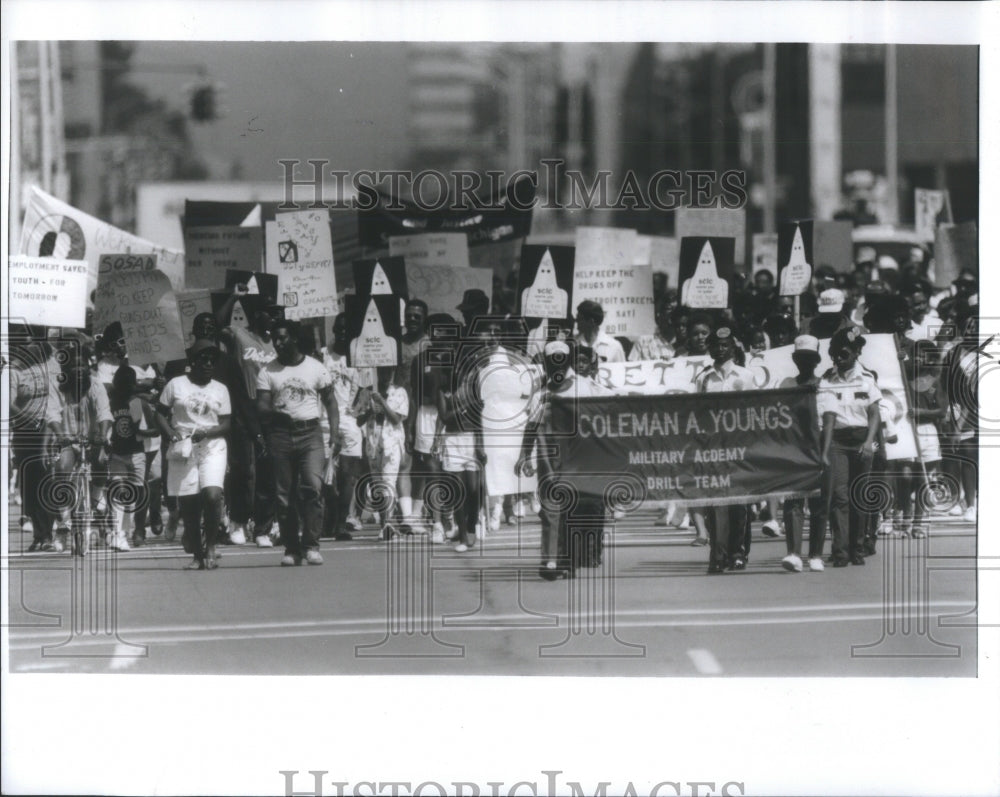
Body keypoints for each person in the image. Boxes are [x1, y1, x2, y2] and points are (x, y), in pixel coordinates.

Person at [517, 339, 611, 580]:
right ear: (547, 364)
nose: (557, 365)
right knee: (551, 509)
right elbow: (531, 426)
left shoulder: (585, 388)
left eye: (562, 360)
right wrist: (524, 455)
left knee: (574, 510)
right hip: (549, 457)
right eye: (552, 361)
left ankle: (568, 559)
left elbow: (607, 412)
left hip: (579, 457)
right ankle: (550, 560)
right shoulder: (541, 395)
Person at [256, 318, 339, 566]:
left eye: (282, 338)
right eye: (275, 339)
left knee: (313, 487)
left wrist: (334, 436)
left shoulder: (316, 368)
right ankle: (292, 549)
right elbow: (261, 405)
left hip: (310, 434)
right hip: (280, 435)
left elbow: (331, 403)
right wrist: (272, 413)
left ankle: (312, 546)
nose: (278, 343)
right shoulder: (267, 371)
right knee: (284, 495)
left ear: (294, 338)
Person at [157, 340, 231, 570]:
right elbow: (159, 413)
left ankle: (210, 546)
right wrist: (171, 434)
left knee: (211, 495)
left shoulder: (220, 389)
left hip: (212, 446)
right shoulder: (175, 385)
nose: (208, 364)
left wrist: (209, 431)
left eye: (212, 361)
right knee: (189, 503)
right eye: (203, 360)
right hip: (184, 448)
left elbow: (227, 422)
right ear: (192, 363)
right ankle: (197, 555)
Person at [217, 284, 281, 546]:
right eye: (269, 313)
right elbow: (217, 322)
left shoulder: (277, 340)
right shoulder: (239, 335)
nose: (274, 318)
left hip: (270, 409)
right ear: (257, 315)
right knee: (242, 468)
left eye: (276, 314)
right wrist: (234, 297)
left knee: (268, 469)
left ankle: (263, 527)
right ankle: (238, 522)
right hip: (244, 407)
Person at [817, 327, 882, 567]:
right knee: (839, 497)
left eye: (843, 352)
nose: (838, 357)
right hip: (837, 441)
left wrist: (868, 443)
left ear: (856, 352)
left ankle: (857, 548)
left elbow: (874, 414)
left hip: (861, 440)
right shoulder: (827, 379)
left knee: (859, 497)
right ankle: (840, 551)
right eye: (834, 353)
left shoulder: (866, 379)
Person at [42, 340, 112, 554]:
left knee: (101, 461)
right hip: (68, 439)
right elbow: (52, 412)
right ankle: (63, 522)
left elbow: (104, 412)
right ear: (67, 368)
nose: (79, 369)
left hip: (94, 438)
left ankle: (99, 507)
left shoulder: (96, 385)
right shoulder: (56, 386)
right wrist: (61, 436)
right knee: (63, 468)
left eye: (83, 365)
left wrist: (101, 435)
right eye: (74, 366)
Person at [695, 326, 756, 573]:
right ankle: (718, 555)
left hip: (738, 444)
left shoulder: (745, 376)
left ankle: (738, 553)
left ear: (733, 349)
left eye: (725, 346)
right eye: (716, 346)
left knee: (739, 501)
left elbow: (754, 411)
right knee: (716, 500)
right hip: (712, 445)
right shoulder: (704, 378)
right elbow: (697, 411)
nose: (720, 350)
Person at [778, 336, 828, 572]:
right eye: (800, 358)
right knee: (793, 501)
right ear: (794, 359)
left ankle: (816, 553)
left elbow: (829, 421)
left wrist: (825, 451)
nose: (804, 363)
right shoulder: (787, 384)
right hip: (794, 446)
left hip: (818, 445)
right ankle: (794, 553)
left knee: (819, 502)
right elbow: (777, 415)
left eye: (809, 358)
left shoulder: (825, 384)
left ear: (817, 360)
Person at [322, 313, 373, 541]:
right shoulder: (323, 354)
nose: (342, 333)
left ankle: (341, 523)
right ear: (333, 329)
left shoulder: (361, 359)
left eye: (347, 329)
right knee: (324, 477)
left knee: (348, 477)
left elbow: (367, 390)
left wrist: (359, 410)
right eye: (339, 329)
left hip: (349, 422)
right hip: (323, 420)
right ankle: (330, 517)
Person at [107, 365, 160, 550]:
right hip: (118, 454)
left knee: (134, 494)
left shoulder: (138, 402)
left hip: (137, 453)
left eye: (128, 382)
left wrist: (145, 431)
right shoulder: (110, 401)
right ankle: (118, 533)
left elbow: (153, 429)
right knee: (119, 492)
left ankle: (129, 531)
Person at [356, 365, 409, 539]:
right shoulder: (366, 392)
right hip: (373, 441)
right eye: (381, 372)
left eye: (388, 372)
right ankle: (383, 524)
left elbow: (396, 419)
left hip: (391, 442)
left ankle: (388, 524)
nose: (385, 375)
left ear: (392, 372)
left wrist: (383, 403)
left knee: (389, 483)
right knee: (378, 485)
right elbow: (358, 420)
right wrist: (371, 409)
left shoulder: (399, 392)